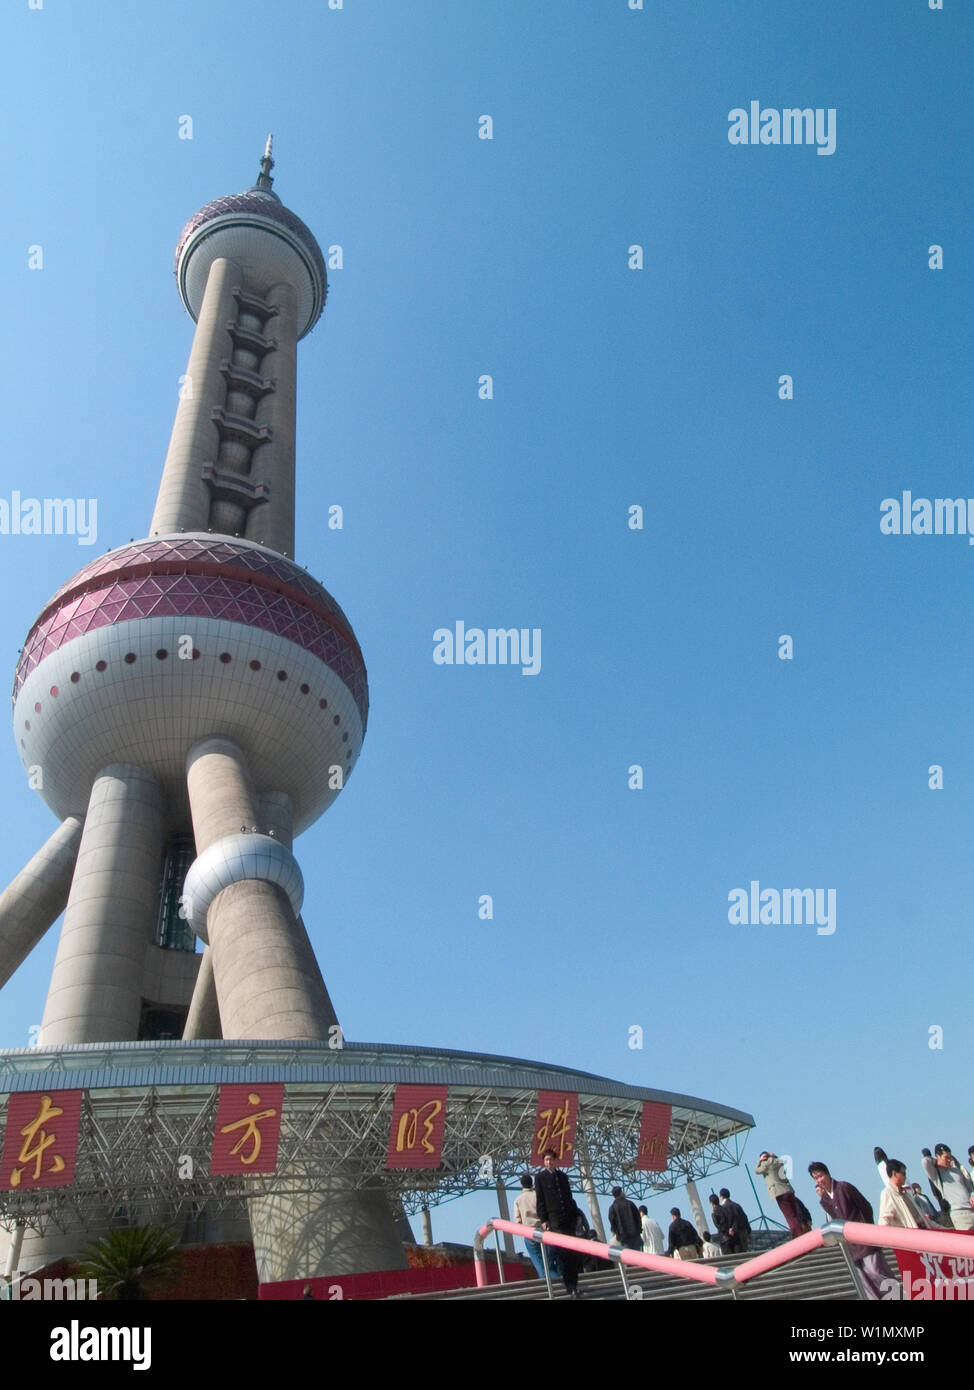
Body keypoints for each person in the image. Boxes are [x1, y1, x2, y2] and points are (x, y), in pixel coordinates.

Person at [808, 1161, 895, 1300]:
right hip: (850, 1246)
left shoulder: (844, 1187)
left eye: (820, 1176)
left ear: (827, 1174)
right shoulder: (824, 1200)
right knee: (865, 1282)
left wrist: (867, 1229)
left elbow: (865, 1206)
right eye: (816, 1179)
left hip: (865, 1240)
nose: (819, 1180)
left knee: (877, 1272)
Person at [535, 1148, 585, 1299]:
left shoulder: (562, 1176)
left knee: (573, 1253)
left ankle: (574, 1285)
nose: (548, 1163)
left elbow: (569, 1197)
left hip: (568, 1218)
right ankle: (570, 1286)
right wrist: (544, 1220)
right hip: (554, 1220)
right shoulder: (540, 1178)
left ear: (555, 1161)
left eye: (551, 1160)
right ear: (544, 1162)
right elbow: (540, 1200)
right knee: (563, 1253)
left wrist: (576, 1214)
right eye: (546, 1160)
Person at [513, 1172, 561, 1280]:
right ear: (532, 1184)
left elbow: (518, 1221)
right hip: (544, 1231)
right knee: (549, 1263)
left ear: (521, 1185)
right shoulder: (537, 1196)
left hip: (529, 1234)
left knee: (541, 1266)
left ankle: (550, 1289)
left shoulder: (518, 1200)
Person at [921, 1144, 974, 1231]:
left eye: (950, 1157)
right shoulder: (936, 1174)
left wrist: (972, 1194)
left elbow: (969, 1186)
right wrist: (936, 1161)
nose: (949, 1160)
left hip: (971, 1209)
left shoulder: (956, 1171)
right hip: (959, 1214)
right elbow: (925, 1162)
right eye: (946, 1157)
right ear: (938, 1156)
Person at [755, 1151, 804, 1238]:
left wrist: (759, 1161)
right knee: (795, 1214)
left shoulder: (765, 1164)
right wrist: (773, 1156)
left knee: (789, 1216)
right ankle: (801, 1232)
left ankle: (797, 1235)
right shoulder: (779, 1161)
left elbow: (757, 1171)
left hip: (779, 1192)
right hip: (788, 1189)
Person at [879, 1160, 938, 1229]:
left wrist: (946, 1229)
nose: (905, 1177)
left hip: (922, 1233)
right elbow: (884, 1220)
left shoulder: (906, 1194)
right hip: (908, 1237)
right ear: (894, 1174)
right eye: (903, 1173)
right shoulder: (888, 1193)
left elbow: (923, 1220)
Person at [608, 1186, 643, 1251]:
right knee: (639, 1258)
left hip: (624, 1238)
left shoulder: (612, 1208)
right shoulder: (630, 1204)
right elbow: (638, 1217)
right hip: (636, 1236)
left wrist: (618, 1235)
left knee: (628, 1259)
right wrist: (639, 1229)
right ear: (621, 1193)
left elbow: (613, 1224)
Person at [719, 1188, 751, 1253]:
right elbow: (745, 1218)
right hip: (743, 1232)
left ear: (721, 1196)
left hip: (733, 1235)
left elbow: (726, 1222)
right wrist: (749, 1231)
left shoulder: (723, 1207)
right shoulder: (737, 1205)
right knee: (744, 1254)